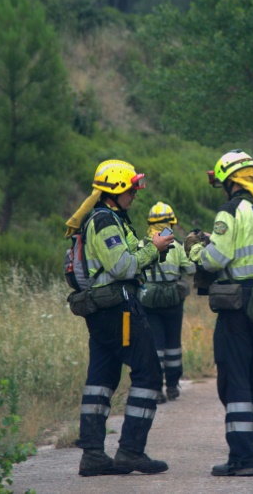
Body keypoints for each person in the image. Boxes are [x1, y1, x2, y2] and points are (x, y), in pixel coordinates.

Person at [64, 159, 174, 476]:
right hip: (118, 311)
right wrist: (152, 248)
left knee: (101, 379)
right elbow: (123, 267)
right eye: (131, 188)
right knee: (149, 375)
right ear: (116, 190)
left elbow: (125, 257)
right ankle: (130, 452)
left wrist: (153, 246)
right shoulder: (104, 221)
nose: (135, 194)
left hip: (103, 311)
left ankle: (94, 456)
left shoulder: (109, 217)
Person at [185, 149, 253, 477]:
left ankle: (241, 460)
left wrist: (198, 249)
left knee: (235, 382)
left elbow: (216, 260)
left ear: (230, 181)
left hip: (237, 307)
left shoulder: (231, 210)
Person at [140, 202, 196, 403]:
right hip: (174, 301)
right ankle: (172, 387)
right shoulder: (177, 246)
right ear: (171, 223)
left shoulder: (142, 245)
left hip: (149, 301)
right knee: (174, 345)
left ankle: (156, 389)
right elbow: (190, 269)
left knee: (156, 345)